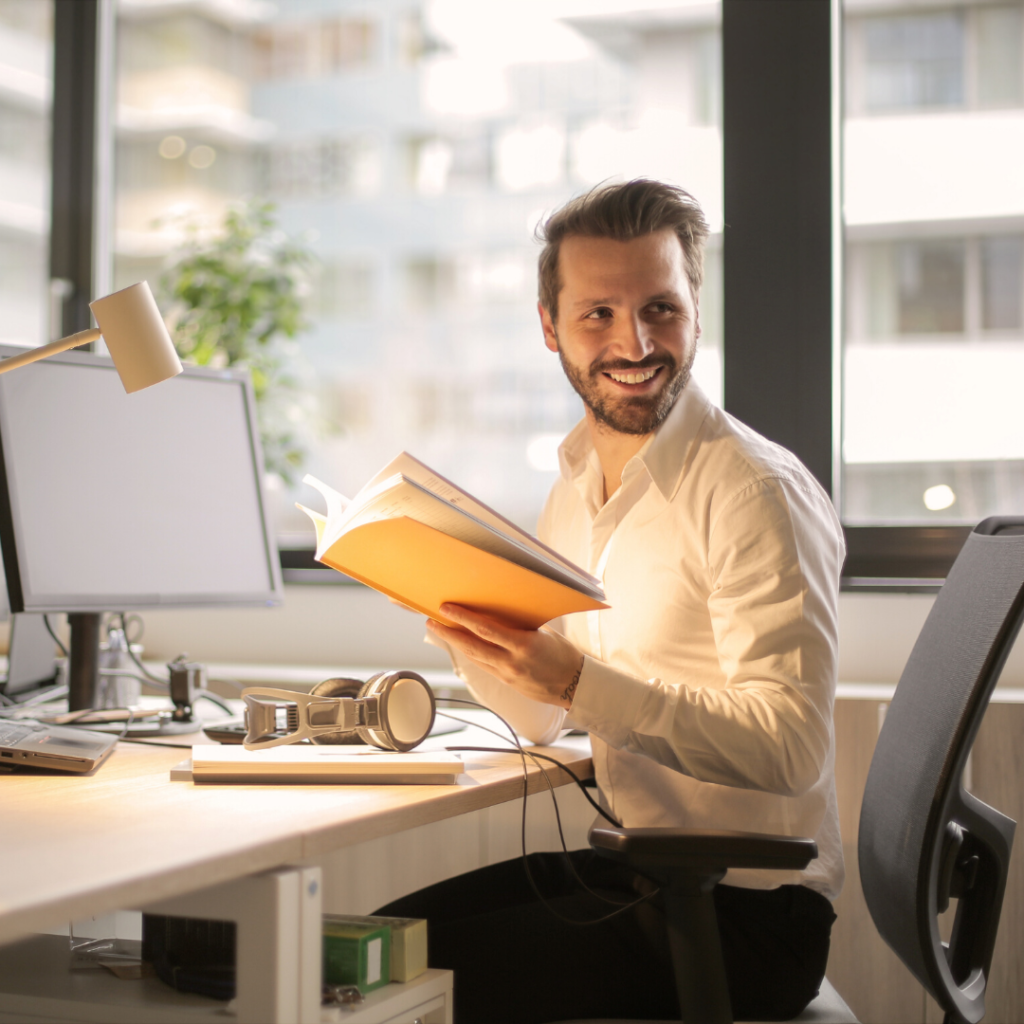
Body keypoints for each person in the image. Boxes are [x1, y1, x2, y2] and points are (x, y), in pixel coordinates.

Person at [377, 179, 845, 1023]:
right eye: (598, 314)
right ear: (549, 327)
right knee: (369, 943)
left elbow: (791, 747)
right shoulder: (577, 481)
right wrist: (467, 630)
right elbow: (541, 720)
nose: (635, 342)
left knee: (381, 985)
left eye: (660, 308)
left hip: (745, 918)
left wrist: (577, 681)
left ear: (696, 309)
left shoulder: (753, 490)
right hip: (640, 872)